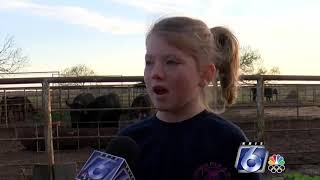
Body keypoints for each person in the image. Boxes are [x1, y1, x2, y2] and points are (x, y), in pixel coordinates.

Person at [119, 16, 261, 180]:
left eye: (171, 62)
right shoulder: (126, 141)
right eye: (149, 62)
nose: (155, 73)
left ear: (206, 74)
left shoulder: (238, 140)